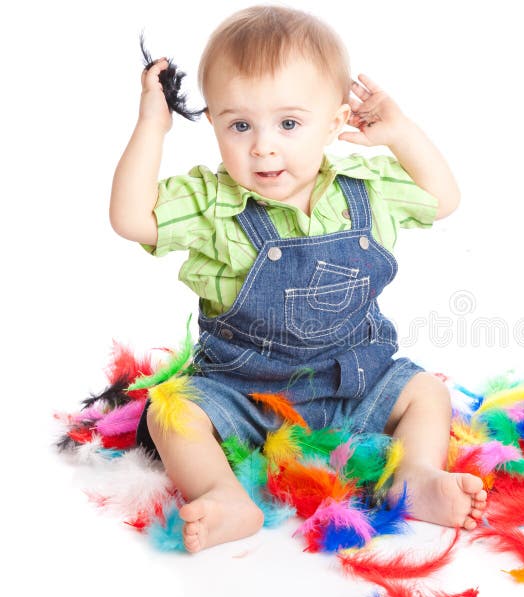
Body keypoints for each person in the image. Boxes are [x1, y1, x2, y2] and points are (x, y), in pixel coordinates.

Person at [109, 4, 487, 553]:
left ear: (335, 123)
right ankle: (223, 494)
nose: (263, 145)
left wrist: (400, 133)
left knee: (425, 391)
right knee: (170, 412)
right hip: (243, 395)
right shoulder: (213, 202)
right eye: (240, 125)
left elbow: (442, 198)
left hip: (357, 384)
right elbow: (130, 218)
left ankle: (416, 475)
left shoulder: (366, 186)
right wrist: (151, 126)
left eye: (289, 123)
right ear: (212, 122)